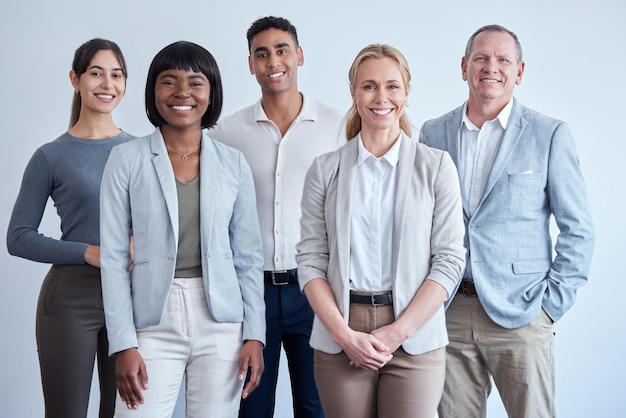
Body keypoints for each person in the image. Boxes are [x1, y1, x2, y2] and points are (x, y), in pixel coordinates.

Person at [419, 24, 596, 418]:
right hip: (450, 312)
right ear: (464, 66)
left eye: (503, 59)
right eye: (481, 58)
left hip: (523, 312)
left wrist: (549, 306)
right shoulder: (433, 133)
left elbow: (578, 229)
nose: (490, 67)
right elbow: (422, 222)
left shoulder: (550, 134)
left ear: (519, 71)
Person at [296, 44, 466, 418]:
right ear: (354, 94)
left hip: (414, 335)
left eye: (392, 86)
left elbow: (449, 260)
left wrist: (398, 332)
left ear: (406, 94)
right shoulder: (324, 170)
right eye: (369, 86)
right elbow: (310, 261)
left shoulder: (436, 167)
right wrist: (344, 336)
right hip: (341, 333)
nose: (381, 97)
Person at [99, 41, 265, 418]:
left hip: (221, 320)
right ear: (153, 91)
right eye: (168, 81)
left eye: (195, 82)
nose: (182, 93)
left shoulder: (233, 164)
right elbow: (111, 258)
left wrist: (255, 333)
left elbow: (248, 258)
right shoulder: (126, 159)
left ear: (211, 92)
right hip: (152, 320)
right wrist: (123, 343)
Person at [209, 16, 343, 418]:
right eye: (261, 53)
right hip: (252, 294)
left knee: (316, 406)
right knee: (252, 407)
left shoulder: (339, 127)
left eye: (282, 50)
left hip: (315, 291)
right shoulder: (226, 133)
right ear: (250, 64)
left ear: (299, 55)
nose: (273, 61)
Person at [6, 38, 132, 418]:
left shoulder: (143, 151)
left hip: (131, 299)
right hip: (68, 301)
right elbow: (18, 237)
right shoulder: (50, 155)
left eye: (116, 75)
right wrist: (86, 251)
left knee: (128, 412)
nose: (107, 84)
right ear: (75, 79)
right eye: (96, 73)